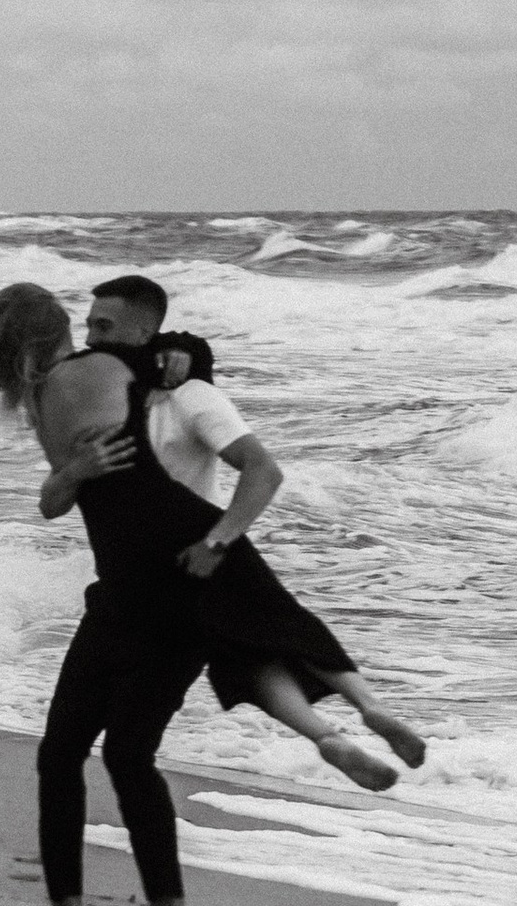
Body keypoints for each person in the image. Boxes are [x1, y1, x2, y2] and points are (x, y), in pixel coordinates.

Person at [0, 276, 215, 906]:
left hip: (179, 599)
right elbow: (53, 502)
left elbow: (176, 355)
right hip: (115, 598)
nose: (93, 338)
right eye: (86, 327)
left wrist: (190, 351)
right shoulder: (52, 395)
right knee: (59, 752)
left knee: (128, 753)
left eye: (104, 327)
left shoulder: (135, 372)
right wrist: (77, 469)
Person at [134, 330, 427, 789]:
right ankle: (372, 707)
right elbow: (265, 470)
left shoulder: (119, 408)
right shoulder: (194, 396)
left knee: (249, 664)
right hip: (210, 540)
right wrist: (218, 541)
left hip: (148, 561)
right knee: (295, 633)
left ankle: (325, 737)